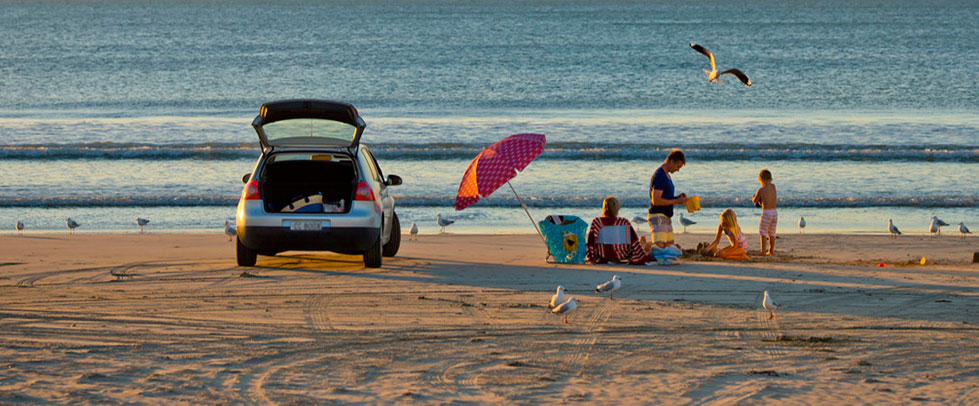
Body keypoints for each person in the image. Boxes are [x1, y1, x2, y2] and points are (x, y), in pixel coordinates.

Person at [586, 196, 652, 265]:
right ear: (617, 208)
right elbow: (634, 241)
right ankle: (643, 244)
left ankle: (644, 244)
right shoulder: (623, 222)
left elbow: (591, 243)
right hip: (622, 255)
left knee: (645, 244)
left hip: (603, 255)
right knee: (644, 244)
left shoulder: (597, 222)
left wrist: (592, 256)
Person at [648, 149, 687, 248]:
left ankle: (645, 247)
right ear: (671, 161)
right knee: (659, 248)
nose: (678, 170)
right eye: (678, 166)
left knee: (669, 248)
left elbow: (665, 197)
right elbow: (655, 200)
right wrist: (677, 201)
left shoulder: (666, 175)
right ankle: (643, 247)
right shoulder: (660, 175)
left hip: (666, 217)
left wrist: (677, 198)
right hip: (658, 216)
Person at [752, 168, 777, 256]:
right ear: (770, 179)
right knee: (772, 233)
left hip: (766, 213)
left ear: (761, 179)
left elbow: (755, 200)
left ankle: (763, 251)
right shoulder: (773, 187)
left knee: (763, 232)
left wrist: (754, 197)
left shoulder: (761, 190)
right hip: (774, 213)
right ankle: (771, 251)